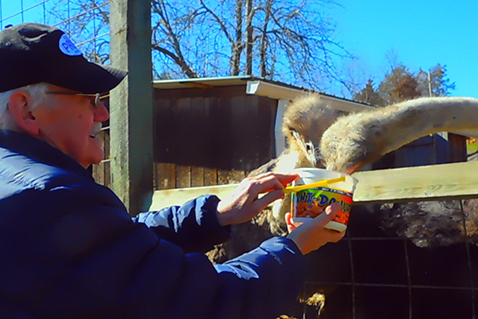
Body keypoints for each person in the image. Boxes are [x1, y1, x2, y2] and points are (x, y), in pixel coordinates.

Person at [0, 23, 345, 319]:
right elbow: (207, 303)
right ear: (26, 110)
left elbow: (115, 249)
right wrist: (294, 247)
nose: (103, 114)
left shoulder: (20, 186)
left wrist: (216, 214)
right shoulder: (50, 198)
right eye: (88, 99)